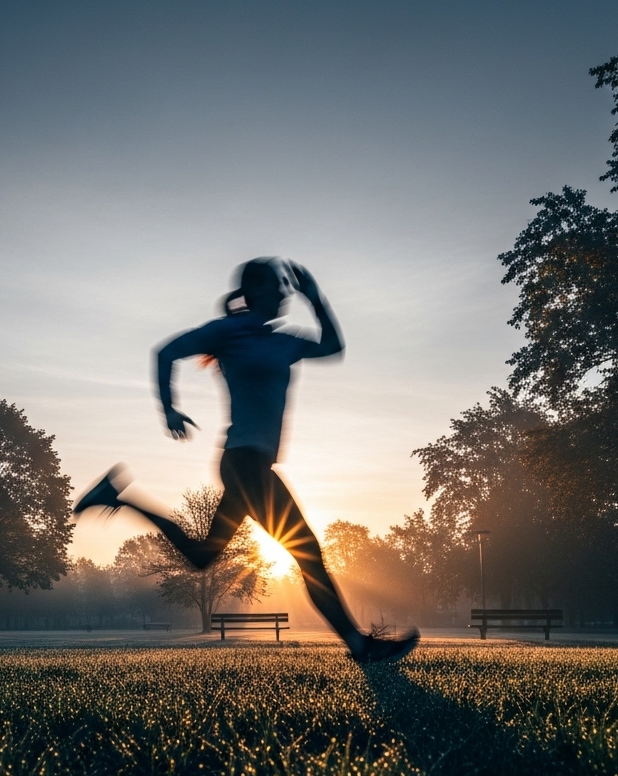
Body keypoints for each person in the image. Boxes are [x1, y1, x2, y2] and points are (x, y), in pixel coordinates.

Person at [74, 258, 418, 663]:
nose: (285, 293)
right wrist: (168, 407)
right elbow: (165, 352)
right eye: (277, 286)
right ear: (254, 291)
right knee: (307, 552)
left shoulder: (283, 341)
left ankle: (119, 497)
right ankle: (359, 645)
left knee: (202, 557)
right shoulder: (229, 332)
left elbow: (333, 346)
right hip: (243, 463)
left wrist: (316, 297)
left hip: (255, 465)